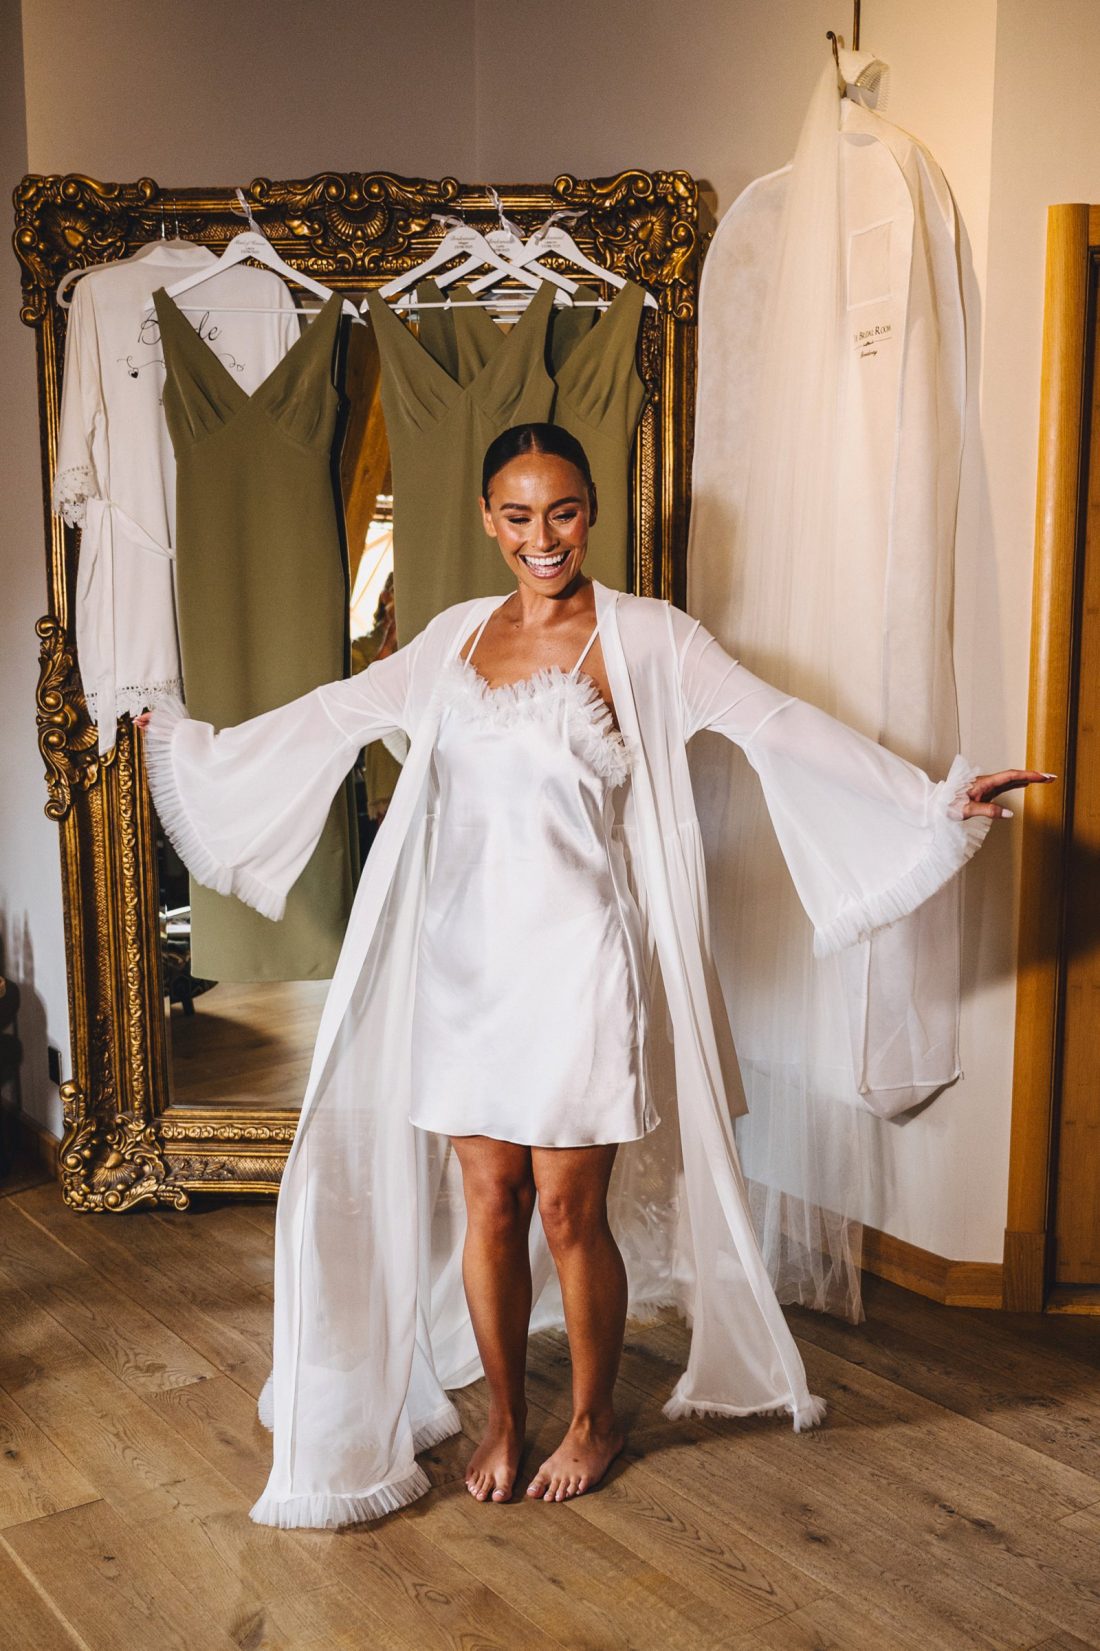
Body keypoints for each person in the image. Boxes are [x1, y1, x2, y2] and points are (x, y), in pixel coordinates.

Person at [136, 423, 1052, 1527]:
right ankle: (506, 1423)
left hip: (579, 968)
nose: (541, 537)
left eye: (561, 511)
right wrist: (190, 743)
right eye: (517, 515)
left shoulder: (646, 639)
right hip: (463, 967)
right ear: (486, 519)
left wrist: (928, 798)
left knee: (570, 1210)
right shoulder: (451, 640)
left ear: (590, 513)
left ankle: (591, 1417)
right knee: (487, 1199)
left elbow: (775, 723)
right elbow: (331, 716)